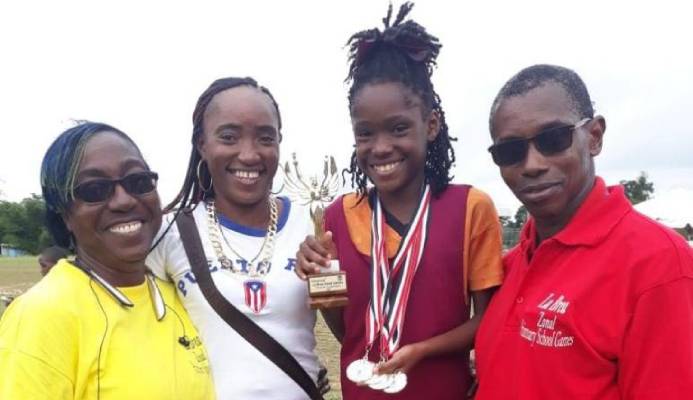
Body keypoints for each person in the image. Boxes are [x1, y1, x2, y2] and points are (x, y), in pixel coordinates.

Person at [295, 4, 504, 399]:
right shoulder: (339, 214)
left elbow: (488, 320)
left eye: (398, 128)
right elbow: (346, 326)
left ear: (431, 125)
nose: (381, 147)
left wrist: (421, 350)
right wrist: (317, 277)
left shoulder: (470, 208)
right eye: (365, 133)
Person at [475, 64, 693, 399]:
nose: (532, 164)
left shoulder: (659, 265)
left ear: (594, 137)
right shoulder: (509, 264)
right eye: (510, 151)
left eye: (553, 139)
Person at [0, 122, 215, 399]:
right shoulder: (42, 316)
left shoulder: (175, 296)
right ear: (63, 213)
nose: (123, 200)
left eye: (139, 182)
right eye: (95, 190)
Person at [147, 77, 323, 399]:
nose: (249, 155)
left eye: (265, 138)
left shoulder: (311, 225)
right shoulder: (169, 233)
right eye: (229, 137)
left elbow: (345, 329)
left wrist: (325, 275)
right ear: (202, 144)